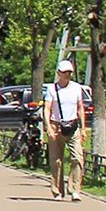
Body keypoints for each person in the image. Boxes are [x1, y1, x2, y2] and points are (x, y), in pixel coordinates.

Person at [43, 59, 88, 201]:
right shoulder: (52, 89)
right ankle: (57, 191)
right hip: (56, 126)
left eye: (69, 72)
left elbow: (80, 108)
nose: (67, 75)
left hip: (73, 126)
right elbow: (47, 109)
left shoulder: (76, 88)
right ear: (59, 73)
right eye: (64, 72)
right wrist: (48, 127)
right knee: (56, 161)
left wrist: (83, 128)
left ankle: (75, 190)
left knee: (77, 157)